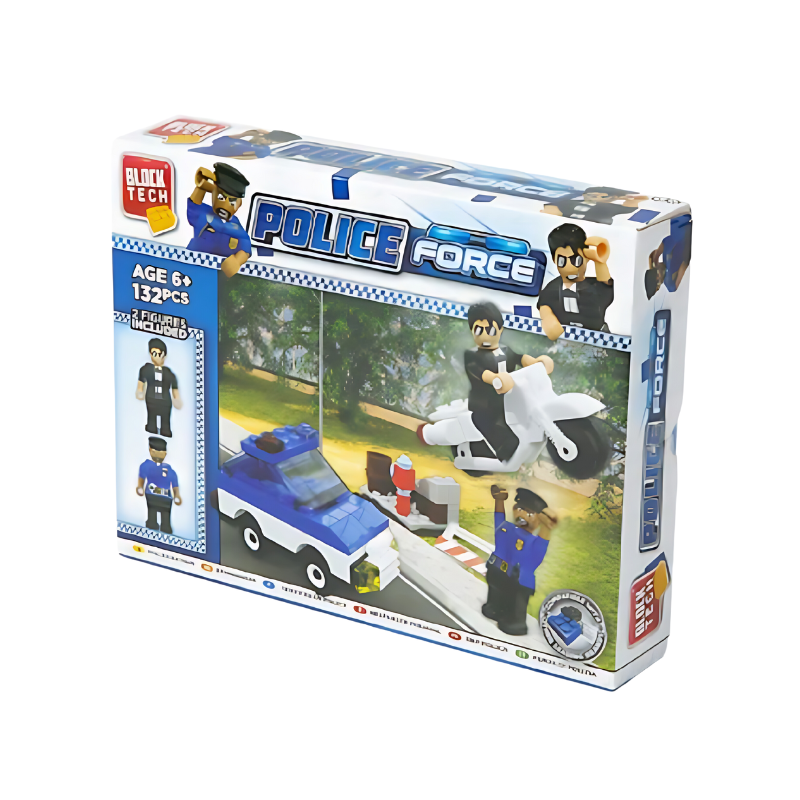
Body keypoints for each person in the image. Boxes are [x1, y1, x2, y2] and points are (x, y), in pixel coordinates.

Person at [462, 302, 554, 462]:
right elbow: (479, 372)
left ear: (500, 330)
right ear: (472, 331)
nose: (484, 336)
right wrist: (494, 378)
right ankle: (503, 453)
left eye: (490, 330)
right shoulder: (471, 355)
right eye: (478, 330)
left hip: (509, 401)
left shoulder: (505, 351)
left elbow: (520, 358)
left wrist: (536, 363)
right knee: (499, 431)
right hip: (485, 404)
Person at [482, 485, 558, 636]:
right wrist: (499, 501)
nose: (521, 514)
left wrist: (547, 527)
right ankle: (495, 608)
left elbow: (539, 549)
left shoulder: (533, 541)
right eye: (519, 508)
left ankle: (515, 622)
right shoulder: (508, 529)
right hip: (500, 572)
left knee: (516, 604)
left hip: (520, 580)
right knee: (496, 594)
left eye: (529, 512)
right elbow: (498, 521)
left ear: (539, 519)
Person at [537, 223, 615, 339]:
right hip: (564, 340)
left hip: (596, 339)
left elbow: (605, 289)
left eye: (576, 260)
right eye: (562, 261)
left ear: (586, 257)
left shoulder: (593, 287)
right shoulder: (553, 287)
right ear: (554, 260)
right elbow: (544, 303)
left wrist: (600, 262)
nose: (569, 267)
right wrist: (547, 317)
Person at [187, 162, 252, 277]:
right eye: (221, 197)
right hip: (193, 264)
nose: (225, 205)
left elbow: (245, 246)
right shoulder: (204, 214)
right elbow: (194, 205)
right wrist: (201, 186)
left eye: (232, 201)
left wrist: (237, 260)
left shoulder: (236, 226)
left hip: (218, 273)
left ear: (239, 203)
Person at [136, 338, 181, 437]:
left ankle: (166, 433)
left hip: (165, 402)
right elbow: (140, 385)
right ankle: (151, 433)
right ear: (150, 354)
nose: (157, 357)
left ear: (164, 355)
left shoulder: (169, 373)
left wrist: (177, 399)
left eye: (159, 354)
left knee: (165, 425)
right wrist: (139, 392)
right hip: (151, 400)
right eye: (154, 353)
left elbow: (174, 389)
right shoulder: (145, 369)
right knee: (151, 423)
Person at [137, 437, 182, 534]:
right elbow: (142, 477)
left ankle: (165, 526)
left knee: (165, 515)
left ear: (165, 453)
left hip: (165, 497)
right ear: (150, 450)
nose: (158, 455)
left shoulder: (168, 469)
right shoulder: (147, 465)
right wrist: (140, 487)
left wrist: (177, 495)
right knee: (152, 512)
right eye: (155, 452)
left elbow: (174, 483)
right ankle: (152, 524)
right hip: (152, 495)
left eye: (161, 453)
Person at [542, 186, 647, 225]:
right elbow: (548, 212)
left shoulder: (611, 208)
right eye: (592, 195)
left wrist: (622, 197)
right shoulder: (567, 203)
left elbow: (640, 199)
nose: (596, 198)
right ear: (584, 195)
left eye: (603, 196)